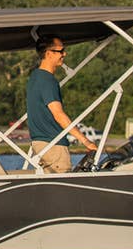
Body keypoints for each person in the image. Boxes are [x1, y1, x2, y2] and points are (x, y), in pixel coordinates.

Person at [26, 35, 98, 173]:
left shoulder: (34, 77)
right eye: (61, 51)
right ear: (48, 53)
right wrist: (86, 141)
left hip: (39, 145)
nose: (64, 54)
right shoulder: (47, 80)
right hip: (53, 146)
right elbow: (58, 114)